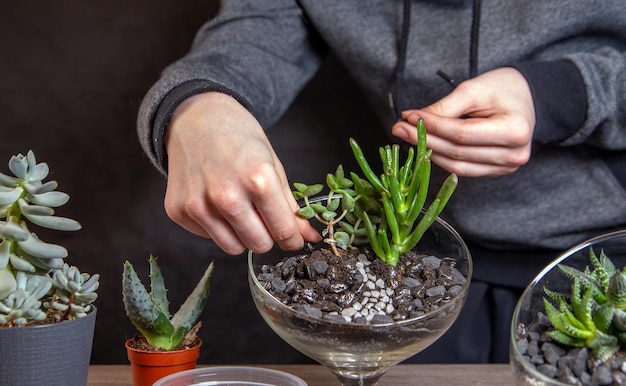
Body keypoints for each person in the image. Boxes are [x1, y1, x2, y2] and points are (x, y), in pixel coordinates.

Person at [137, 0, 626, 363]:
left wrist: (565, 95)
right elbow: (251, 34)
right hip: (427, 280)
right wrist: (195, 106)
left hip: (605, 268)